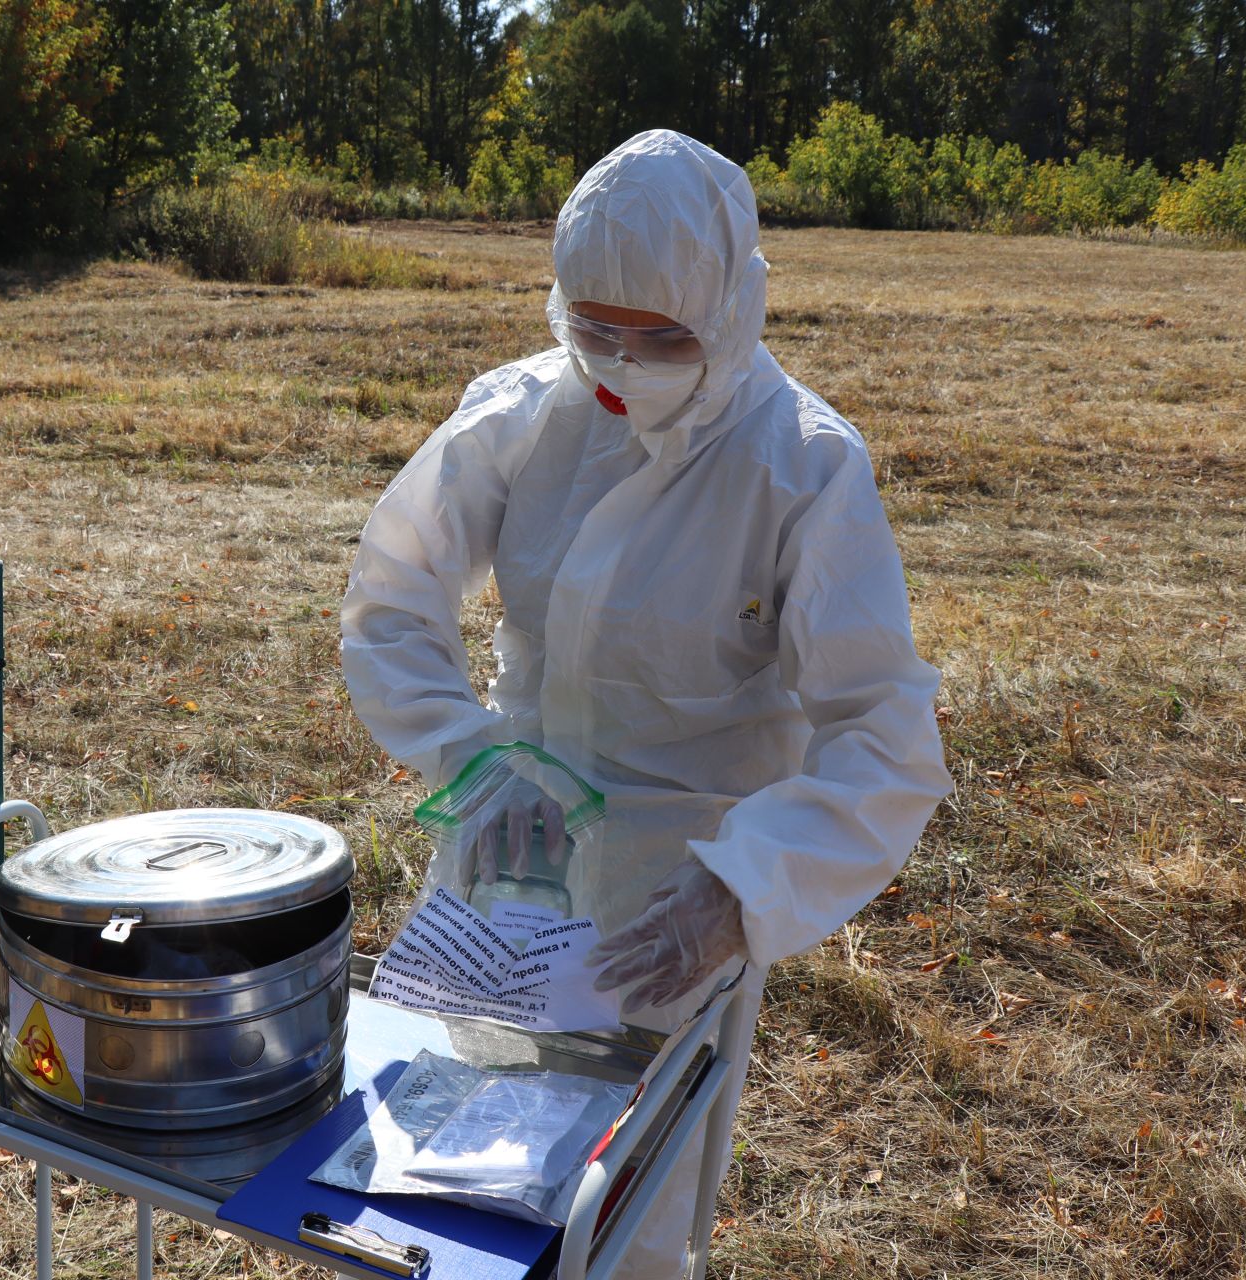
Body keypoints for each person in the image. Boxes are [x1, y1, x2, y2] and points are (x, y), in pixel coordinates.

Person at [339, 129, 951, 1276]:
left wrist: (741, 888)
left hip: (673, 909)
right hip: (497, 865)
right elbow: (391, 599)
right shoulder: (525, 412)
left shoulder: (804, 467)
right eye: (593, 328)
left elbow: (884, 736)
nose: (621, 362)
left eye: (661, 337)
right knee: (438, 1199)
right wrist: (471, 752)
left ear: (732, 308)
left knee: (619, 1224)